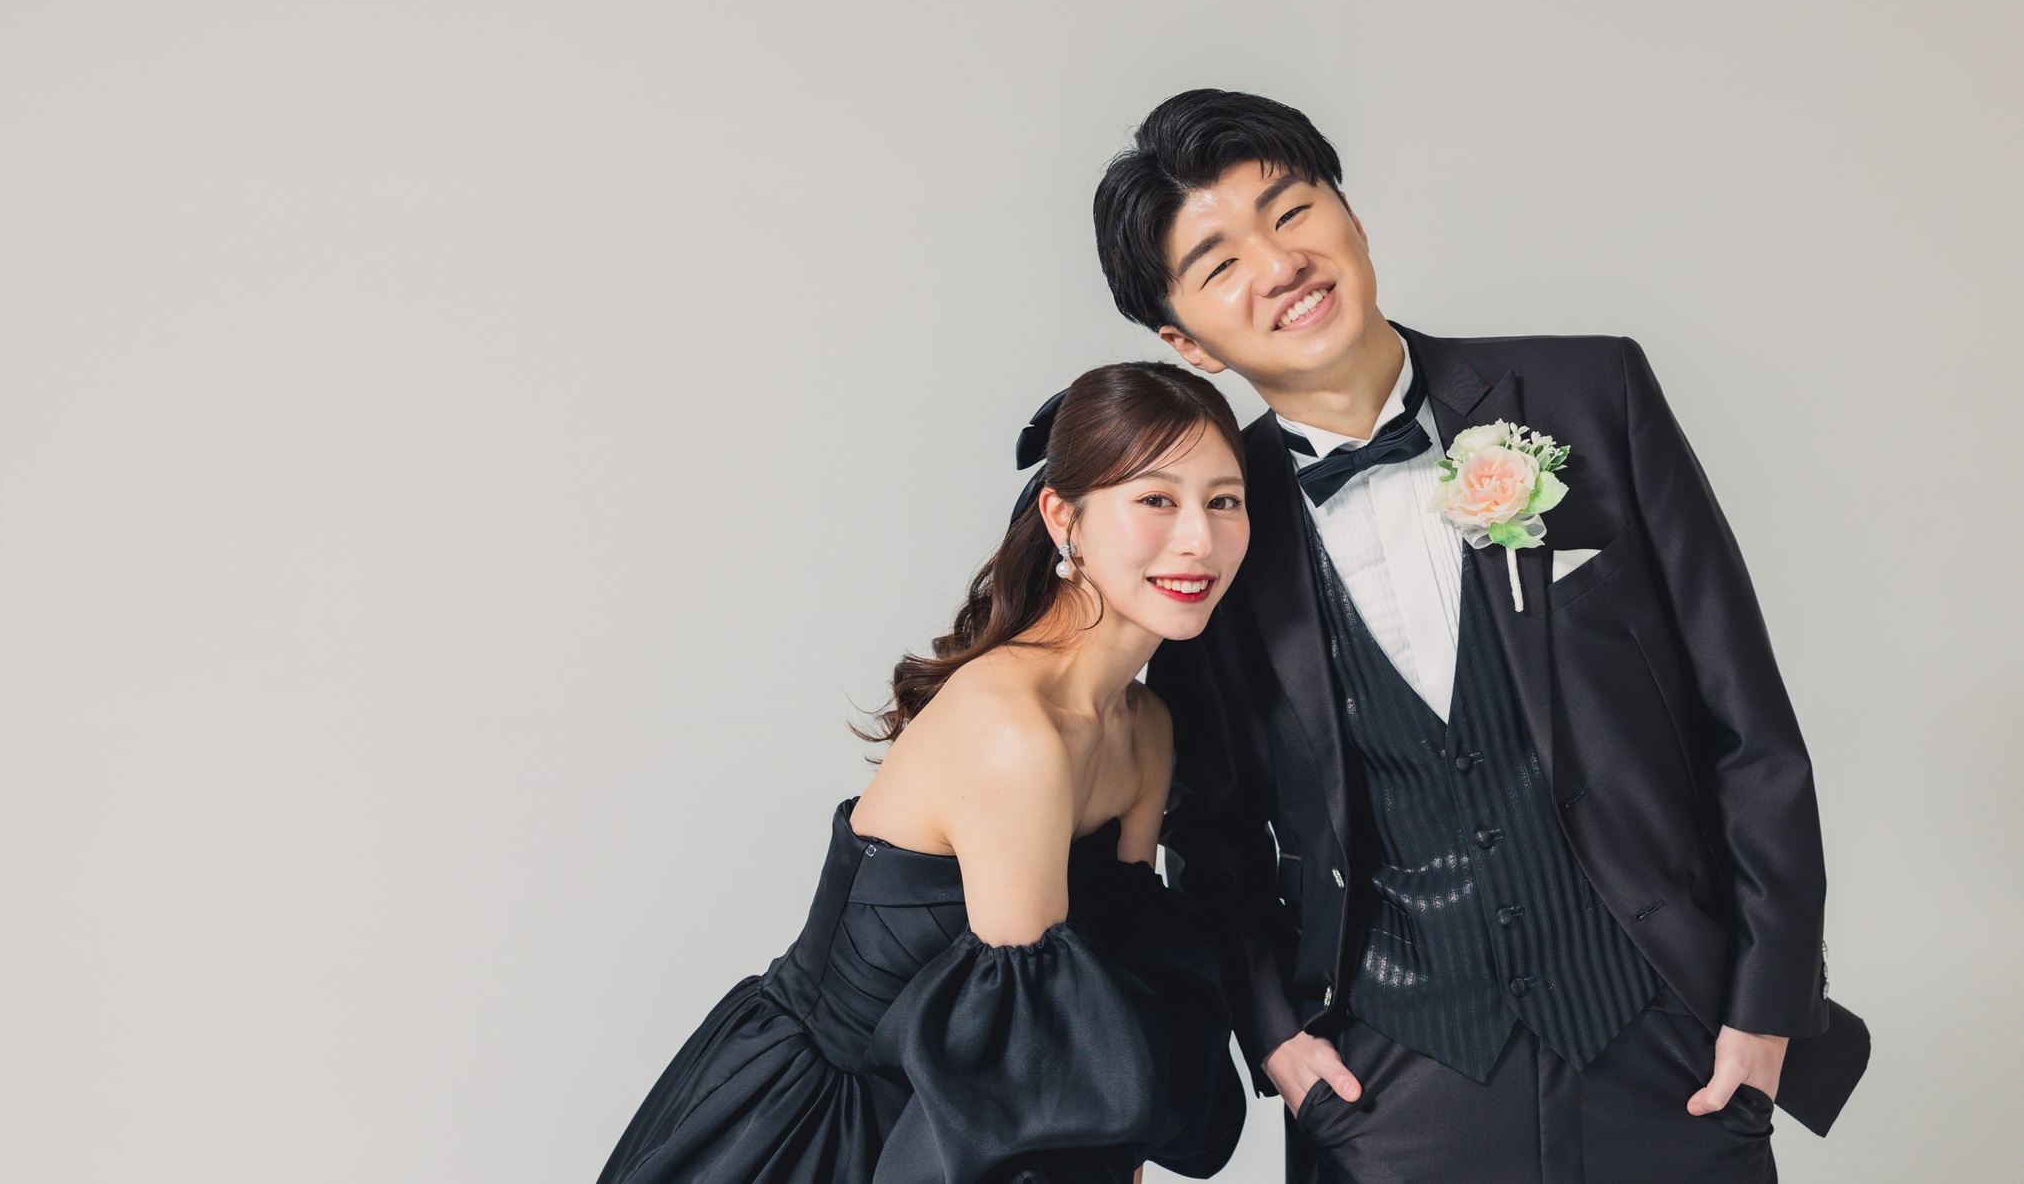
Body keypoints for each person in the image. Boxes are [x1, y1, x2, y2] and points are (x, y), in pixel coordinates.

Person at [1093, 90, 1869, 1183]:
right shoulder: (1213, 523)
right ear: (1187, 343)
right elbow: (1212, 831)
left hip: (1671, 1044)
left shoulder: (1591, 394)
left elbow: (1747, 725)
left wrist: (1765, 1007)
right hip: (1389, 1087)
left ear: (1350, 216)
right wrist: (1277, 1037)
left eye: (1293, 211)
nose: (1279, 265)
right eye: (1220, 264)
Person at [596, 361, 1251, 1184]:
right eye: (1156, 499)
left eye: (1224, 501)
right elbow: (1028, 1067)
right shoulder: (1014, 733)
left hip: (962, 1128)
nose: (1198, 539)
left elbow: (1111, 1009)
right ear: (1064, 518)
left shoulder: (1145, 727)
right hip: (819, 1132)